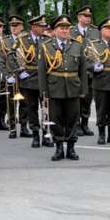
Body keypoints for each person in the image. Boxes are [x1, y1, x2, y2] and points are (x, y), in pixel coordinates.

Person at [38, 15, 88, 161]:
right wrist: (43, 91)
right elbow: (41, 71)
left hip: (73, 87)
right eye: (62, 28)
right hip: (54, 88)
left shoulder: (77, 45)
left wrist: (83, 89)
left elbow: (82, 69)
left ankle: (71, 148)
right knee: (56, 119)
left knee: (73, 118)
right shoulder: (46, 46)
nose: (65, 31)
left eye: (67, 28)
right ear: (55, 30)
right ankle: (59, 147)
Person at [17, 15, 53, 148]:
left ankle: (46, 134)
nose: (43, 28)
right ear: (33, 27)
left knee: (46, 108)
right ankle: (35, 134)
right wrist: (20, 72)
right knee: (31, 108)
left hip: (44, 78)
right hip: (28, 79)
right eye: (40, 26)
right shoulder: (22, 40)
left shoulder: (48, 40)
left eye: (44, 26)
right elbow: (12, 57)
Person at [72, 6, 100, 136]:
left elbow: (98, 50)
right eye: (85, 16)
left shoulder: (95, 31)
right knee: (77, 98)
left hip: (90, 71)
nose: (88, 18)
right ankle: (76, 124)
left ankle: (85, 123)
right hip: (76, 71)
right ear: (79, 17)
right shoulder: (72, 31)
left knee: (88, 99)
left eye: (89, 16)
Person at [4, 15, 26, 139]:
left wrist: (26, 71)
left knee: (25, 103)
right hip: (11, 76)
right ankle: (12, 128)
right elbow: (1, 60)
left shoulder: (26, 39)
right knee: (11, 104)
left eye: (16, 25)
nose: (14, 28)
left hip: (24, 76)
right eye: (12, 25)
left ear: (21, 27)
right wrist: (6, 75)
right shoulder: (4, 41)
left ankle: (24, 127)